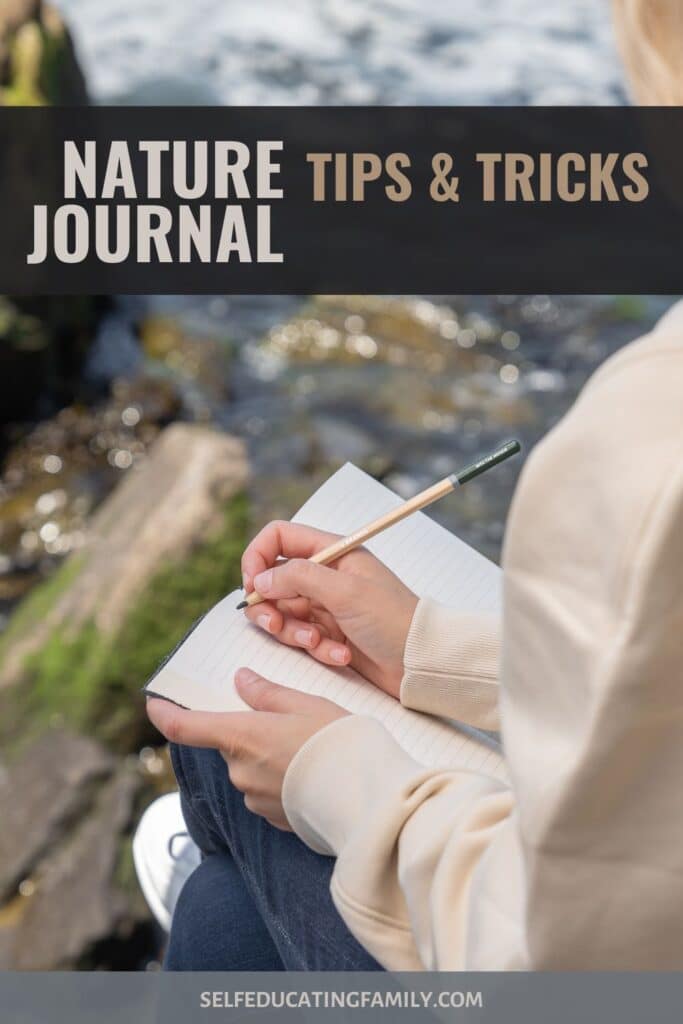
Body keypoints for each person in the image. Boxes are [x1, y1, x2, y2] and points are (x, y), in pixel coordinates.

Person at [143, 2, 683, 970]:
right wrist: (435, 653)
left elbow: (568, 961)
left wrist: (344, 781)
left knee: (224, 793)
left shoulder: (650, 429)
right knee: (225, 917)